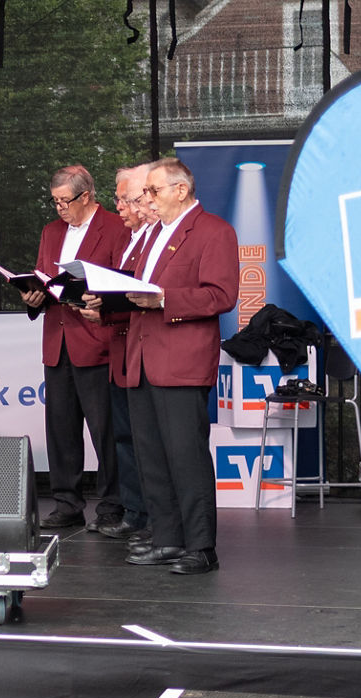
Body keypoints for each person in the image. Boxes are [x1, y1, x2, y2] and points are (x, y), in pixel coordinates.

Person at [122, 157, 238, 575]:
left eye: (152, 191)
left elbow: (221, 295)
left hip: (182, 360)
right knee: (151, 457)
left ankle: (202, 546)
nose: (146, 200)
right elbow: (138, 289)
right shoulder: (153, 234)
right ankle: (167, 538)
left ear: (180, 190)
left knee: (186, 456)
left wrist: (165, 300)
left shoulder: (213, 231)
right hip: (141, 358)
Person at [21, 165, 128, 529]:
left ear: (87, 196)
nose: (59, 209)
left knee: (106, 429)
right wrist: (34, 296)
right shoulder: (51, 231)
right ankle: (67, 502)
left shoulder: (116, 227)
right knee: (61, 427)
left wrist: (96, 298)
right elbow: (42, 275)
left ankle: (113, 503)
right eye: (54, 201)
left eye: (65, 201)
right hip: (58, 338)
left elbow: (121, 283)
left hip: (97, 339)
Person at [83, 164, 159, 540]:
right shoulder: (135, 239)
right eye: (120, 199)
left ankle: (150, 517)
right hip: (122, 350)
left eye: (127, 199)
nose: (123, 208)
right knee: (125, 439)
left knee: (145, 442)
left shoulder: (155, 238)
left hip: (145, 352)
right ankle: (135, 511)